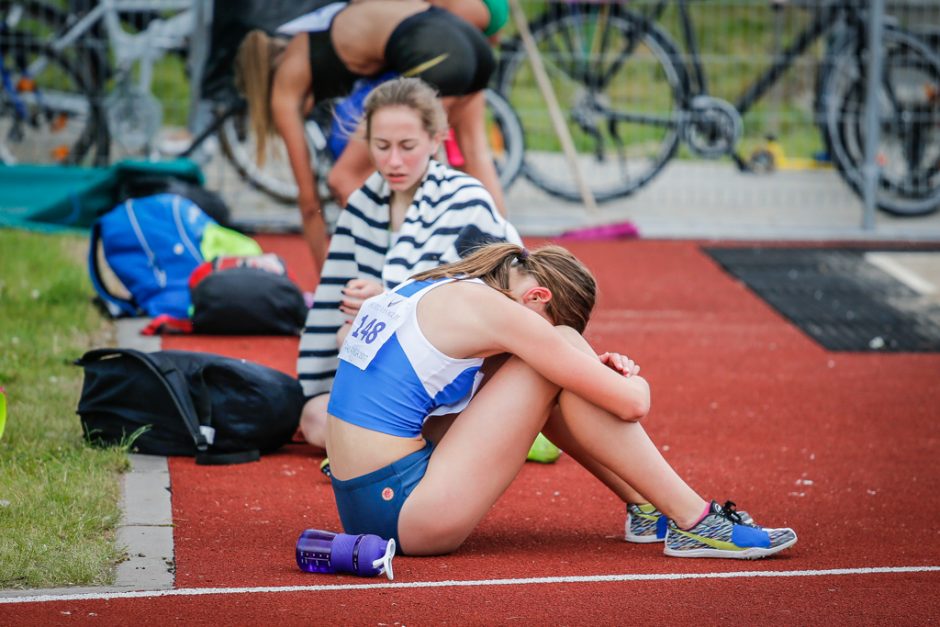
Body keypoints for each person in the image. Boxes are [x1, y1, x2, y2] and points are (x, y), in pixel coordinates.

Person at [324, 242, 799, 559]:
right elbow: (632, 406)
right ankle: (696, 522)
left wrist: (582, 373)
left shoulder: (437, 288)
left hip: (367, 505)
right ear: (537, 296)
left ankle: (647, 509)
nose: (538, 335)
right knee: (561, 349)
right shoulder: (494, 311)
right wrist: (631, 381)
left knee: (556, 365)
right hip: (404, 513)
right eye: (543, 322)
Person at [295, 77, 522, 450]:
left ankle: (379, 448)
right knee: (314, 415)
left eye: (408, 146)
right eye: (381, 146)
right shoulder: (364, 204)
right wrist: (364, 315)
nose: (393, 161)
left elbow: (494, 313)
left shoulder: (467, 200)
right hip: (394, 375)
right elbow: (334, 310)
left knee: (341, 411)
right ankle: (398, 445)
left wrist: (388, 302)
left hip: (462, 375)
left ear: (435, 141)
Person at [234, 0, 505, 274]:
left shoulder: (284, 83)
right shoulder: (309, 36)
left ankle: (398, 277)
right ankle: (503, 265)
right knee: (475, 156)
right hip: (471, 43)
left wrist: (325, 283)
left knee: (343, 179)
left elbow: (309, 204)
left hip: (433, 49)